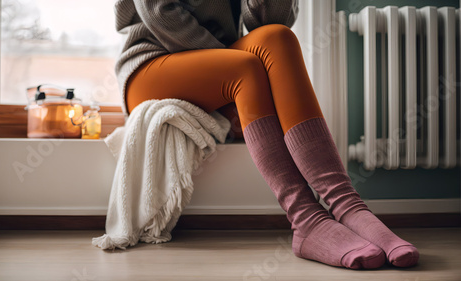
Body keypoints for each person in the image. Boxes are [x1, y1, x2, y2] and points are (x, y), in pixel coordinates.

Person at [114, 0, 419, 269]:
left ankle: (347, 206)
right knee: (245, 67)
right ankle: (306, 219)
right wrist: (231, 64)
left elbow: (267, 21)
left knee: (279, 37)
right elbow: (158, 11)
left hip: (216, 63)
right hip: (150, 64)